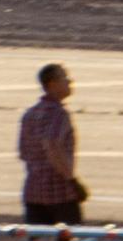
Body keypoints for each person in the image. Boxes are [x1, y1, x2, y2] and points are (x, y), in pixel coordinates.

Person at [15, 63, 83, 226]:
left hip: (33, 191)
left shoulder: (30, 114)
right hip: (59, 193)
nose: (70, 81)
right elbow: (52, 144)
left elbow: (23, 152)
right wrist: (72, 180)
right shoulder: (59, 113)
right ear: (52, 84)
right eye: (64, 78)